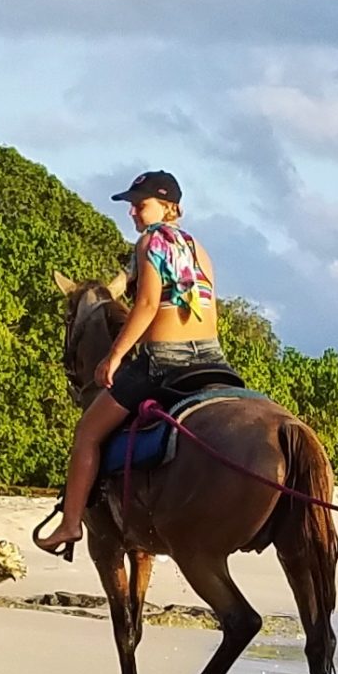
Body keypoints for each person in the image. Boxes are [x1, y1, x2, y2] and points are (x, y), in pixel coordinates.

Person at [38, 170, 225, 552]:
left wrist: (114, 355)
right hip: (213, 358)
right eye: (132, 206)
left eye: (140, 205)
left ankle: (70, 523)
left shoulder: (150, 242)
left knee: (87, 433)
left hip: (166, 361)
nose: (134, 213)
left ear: (169, 207)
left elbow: (147, 304)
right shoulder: (198, 248)